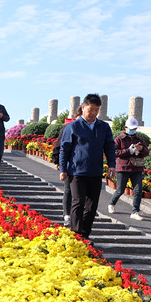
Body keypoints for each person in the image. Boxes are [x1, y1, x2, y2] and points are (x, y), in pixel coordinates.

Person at [59, 94, 116, 240]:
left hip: (95, 172)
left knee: (91, 207)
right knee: (78, 203)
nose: (93, 113)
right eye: (91, 109)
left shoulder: (103, 127)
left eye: (97, 110)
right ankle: (76, 234)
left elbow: (109, 147)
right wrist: (63, 169)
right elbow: (64, 148)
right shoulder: (72, 126)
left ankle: (84, 235)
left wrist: (112, 165)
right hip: (76, 171)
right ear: (83, 107)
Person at [108, 118, 149, 220]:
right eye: (131, 128)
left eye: (134, 128)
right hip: (123, 167)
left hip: (136, 168)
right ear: (125, 128)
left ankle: (135, 211)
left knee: (138, 190)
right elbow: (114, 152)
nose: (133, 130)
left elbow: (147, 152)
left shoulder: (139, 139)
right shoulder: (119, 139)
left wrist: (142, 149)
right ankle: (111, 204)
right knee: (120, 190)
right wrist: (128, 151)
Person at [50, 112, 79, 226]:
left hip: (83, 166)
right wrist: (57, 161)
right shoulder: (68, 127)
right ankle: (67, 215)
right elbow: (59, 145)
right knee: (68, 190)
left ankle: (76, 216)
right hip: (69, 164)